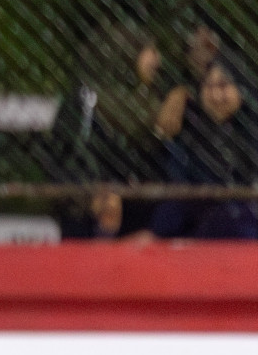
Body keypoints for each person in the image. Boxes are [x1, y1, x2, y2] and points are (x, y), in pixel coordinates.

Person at [45, 21, 170, 238]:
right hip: (88, 215)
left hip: (136, 217)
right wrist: (95, 196)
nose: (157, 59)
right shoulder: (86, 100)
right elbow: (68, 155)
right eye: (149, 50)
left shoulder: (153, 103)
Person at [148, 55, 258, 239]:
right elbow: (179, 191)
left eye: (223, 85)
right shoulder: (190, 127)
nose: (215, 95)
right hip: (193, 231)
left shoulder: (251, 128)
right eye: (208, 86)